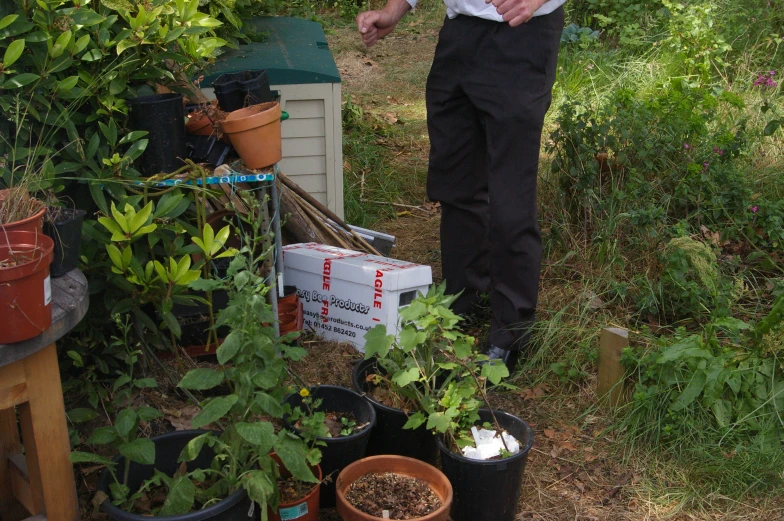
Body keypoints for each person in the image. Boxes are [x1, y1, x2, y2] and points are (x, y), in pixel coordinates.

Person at [357, 0, 565, 369]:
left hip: (520, 37)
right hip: (458, 37)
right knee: (455, 181)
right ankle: (462, 301)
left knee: (509, 198)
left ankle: (510, 331)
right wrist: (396, 9)